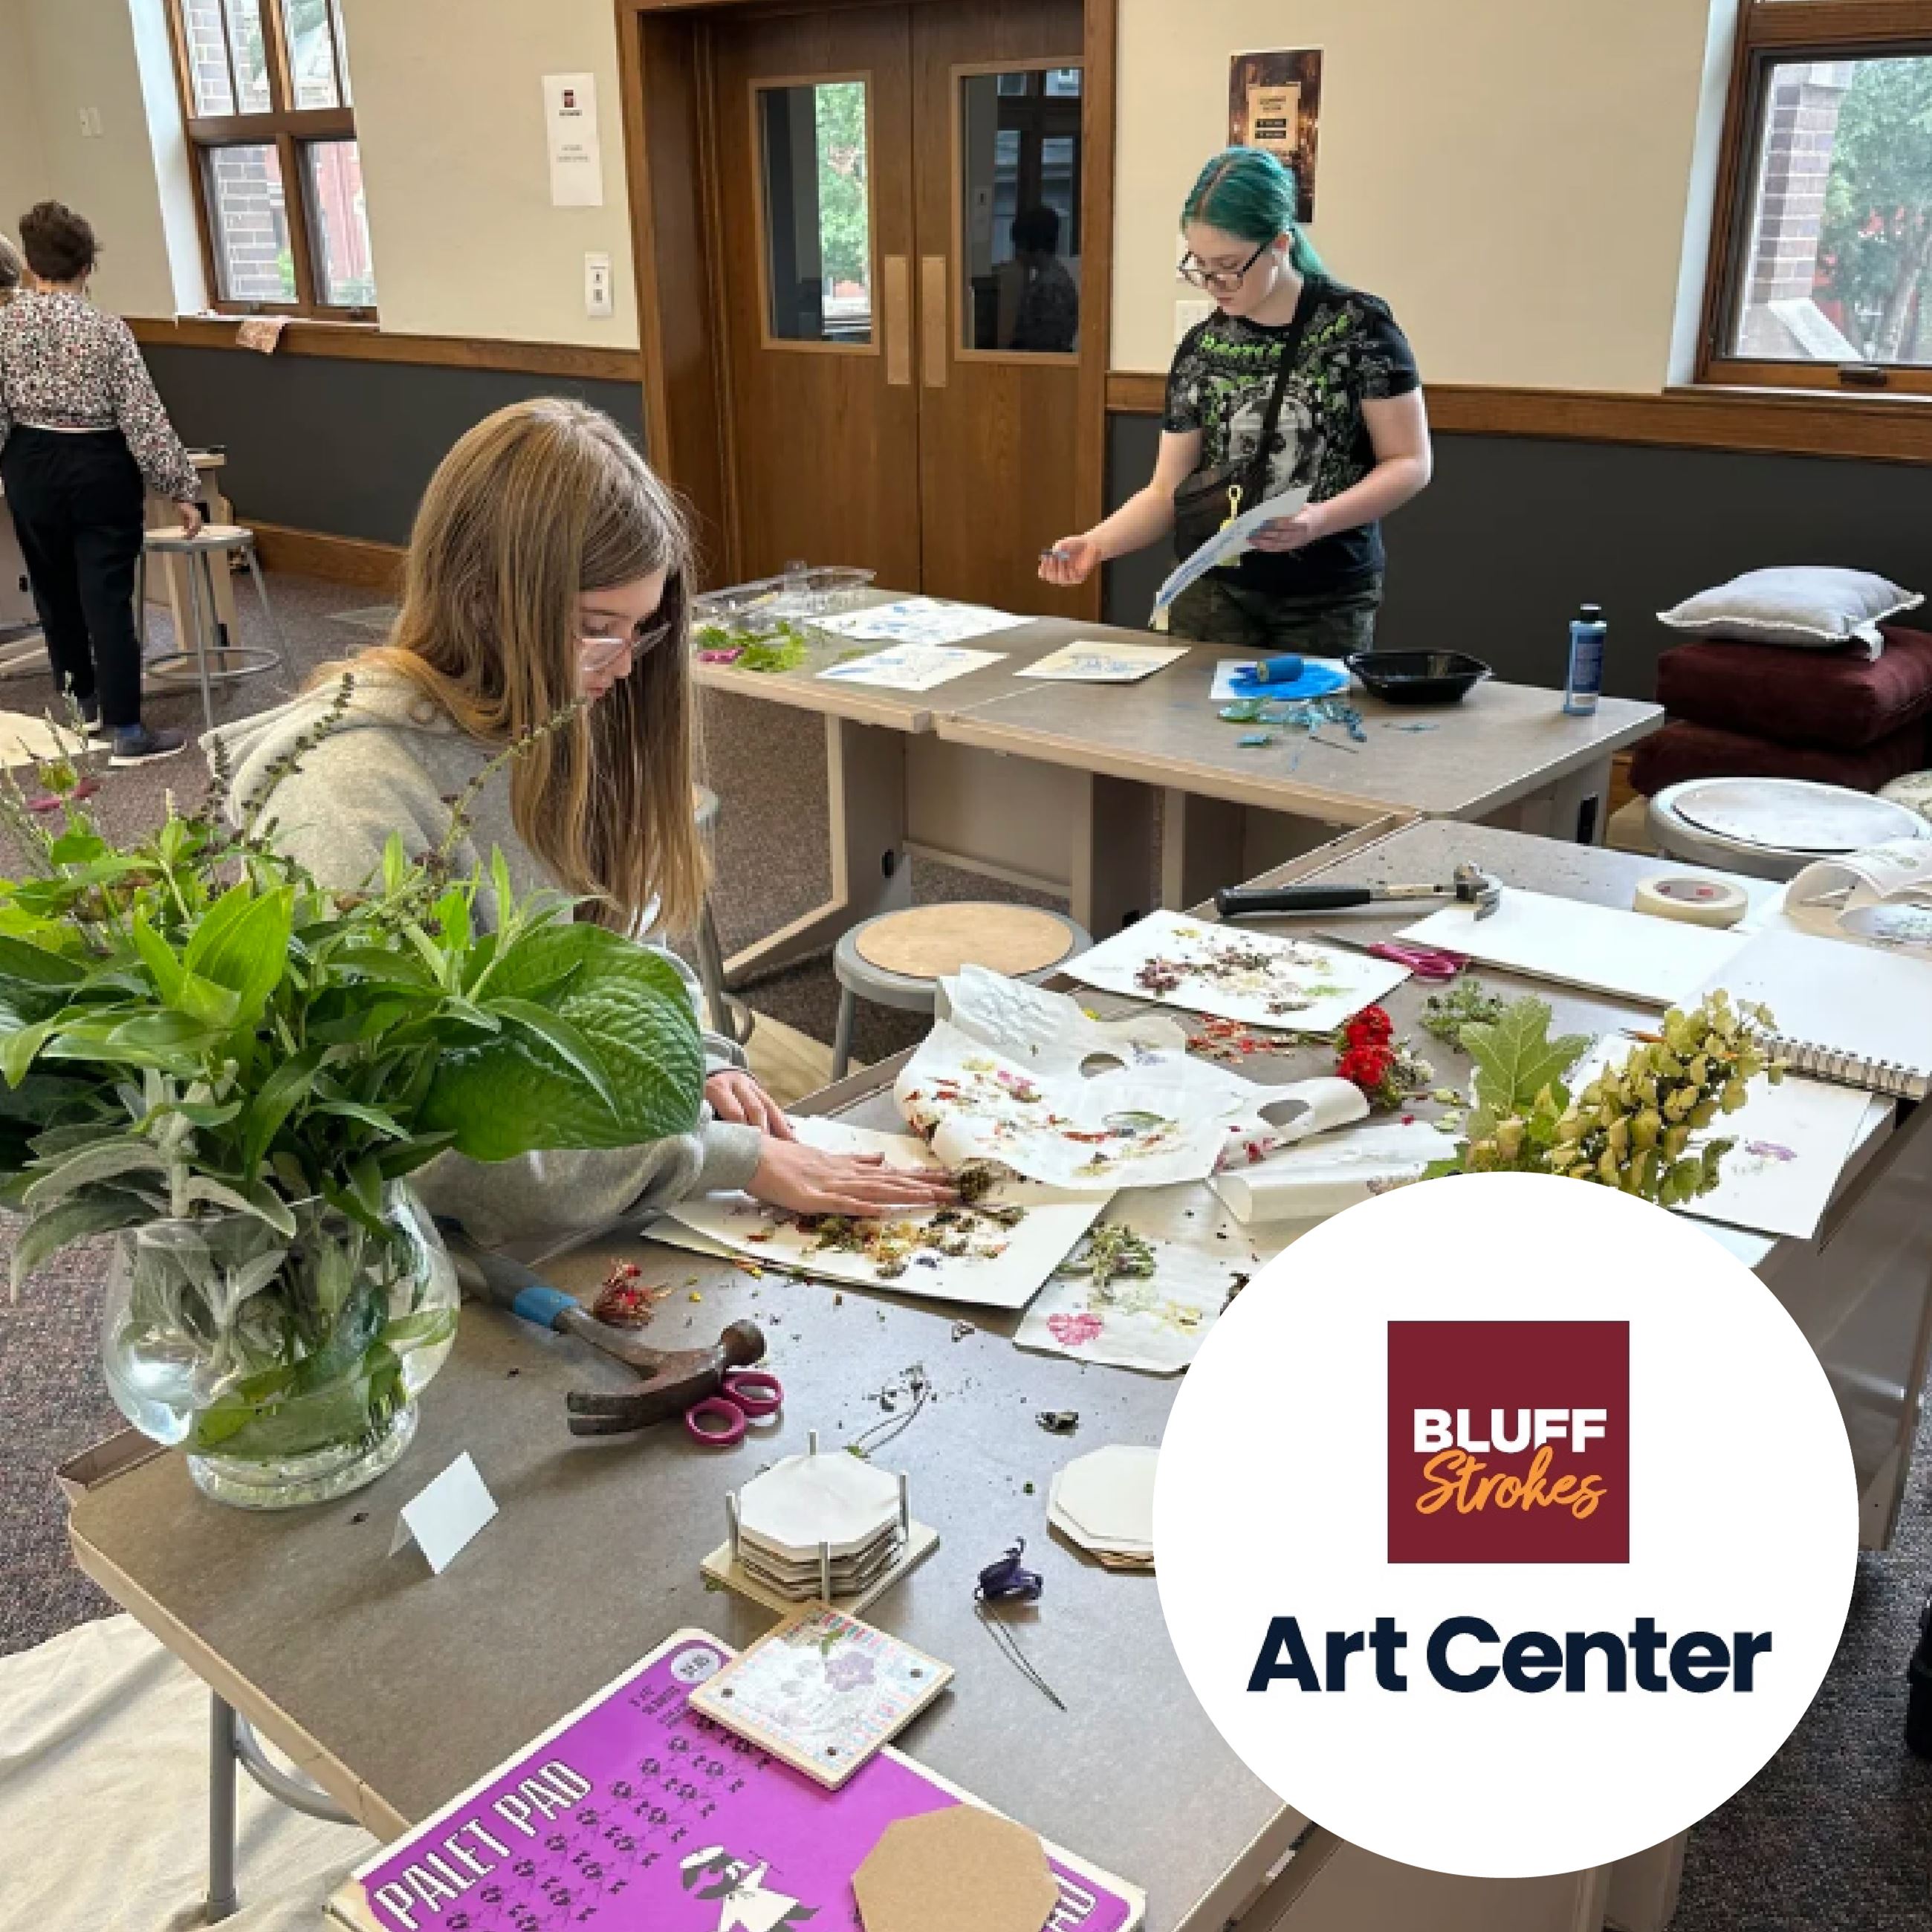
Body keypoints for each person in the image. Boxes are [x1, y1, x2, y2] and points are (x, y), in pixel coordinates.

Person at [209, 398, 956, 1252]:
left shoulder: (547, 707)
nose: (622, 666)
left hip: (558, 1189)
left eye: (640, 630)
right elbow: (420, 1146)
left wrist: (696, 1055)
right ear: (484, 600)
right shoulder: (346, 797)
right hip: (400, 1247)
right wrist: (715, 1156)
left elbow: (625, 957)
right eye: (597, 629)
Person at [1040, 147, 1430, 655]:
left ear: (1280, 244)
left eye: (1227, 266)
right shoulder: (1202, 348)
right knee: (1192, 729)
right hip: (1212, 588)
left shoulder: (1358, 328)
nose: (1213, 284)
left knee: (1305, 729)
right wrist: (1097, 543)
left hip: (1326, 593)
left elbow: (1409, 462)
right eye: (1199, 265)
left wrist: (1319, 518)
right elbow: (1166, 492)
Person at [0, 201, 202, 764]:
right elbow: (143, 416)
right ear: (87, 267)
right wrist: (181, 488)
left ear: (31, 267)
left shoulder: (3, 328)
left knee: (53, 589)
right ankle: (127, 729)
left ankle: (80, 705)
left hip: (30, 462)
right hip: (99, 464)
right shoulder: (108, 331)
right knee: (106, 596)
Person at [1008, 205, 1078, 354]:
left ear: (1032, 245)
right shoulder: (1056, 277)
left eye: (1018, 245)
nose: (1016, 253)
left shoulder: (1049, 288)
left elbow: (1045, 344)